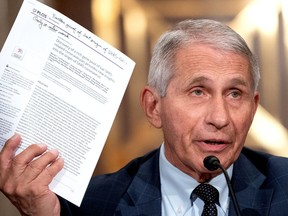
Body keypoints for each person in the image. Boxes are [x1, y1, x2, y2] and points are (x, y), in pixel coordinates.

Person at [1, 18, 288, 216]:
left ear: (253, 107)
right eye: (198, 92)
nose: (220, 117)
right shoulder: (92, 205)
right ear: (153, 107)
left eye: (235, 94)